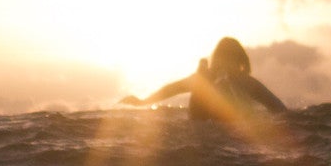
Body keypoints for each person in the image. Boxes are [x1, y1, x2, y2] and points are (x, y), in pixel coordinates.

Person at [120, 36, 287, 121]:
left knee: (203, 84)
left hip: (207, 122)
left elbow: (171, 89)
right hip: (225, 122)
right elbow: (279, 109)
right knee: (204, 84)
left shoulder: (245, 82)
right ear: (241, 61)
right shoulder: (247, 82)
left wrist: (143, 102)